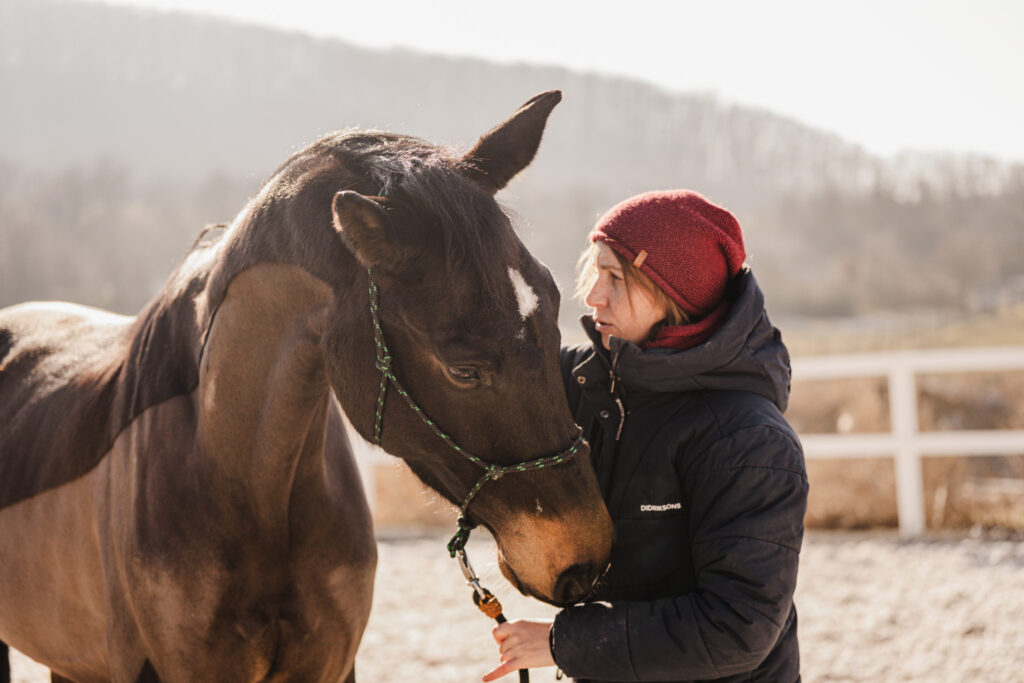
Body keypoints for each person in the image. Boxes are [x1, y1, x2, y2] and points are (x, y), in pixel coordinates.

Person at [483, 190, 808, 682]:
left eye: (615, 278)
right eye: (594, 274)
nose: (593, 296)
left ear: (675, 295)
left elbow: (738, 629)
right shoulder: (583, 382)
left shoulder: (748, 442)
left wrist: (561, 643)